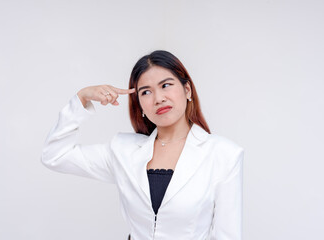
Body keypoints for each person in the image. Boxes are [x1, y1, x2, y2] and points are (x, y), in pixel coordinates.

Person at [41, 50, 244, 240]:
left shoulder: (224, 154)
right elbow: (54, 156)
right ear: (139, 104)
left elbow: (228, 235)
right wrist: (82, 98)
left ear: (187, 89)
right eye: (146, 92)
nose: (158, 98)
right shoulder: (122, 151)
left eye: (166, 85)